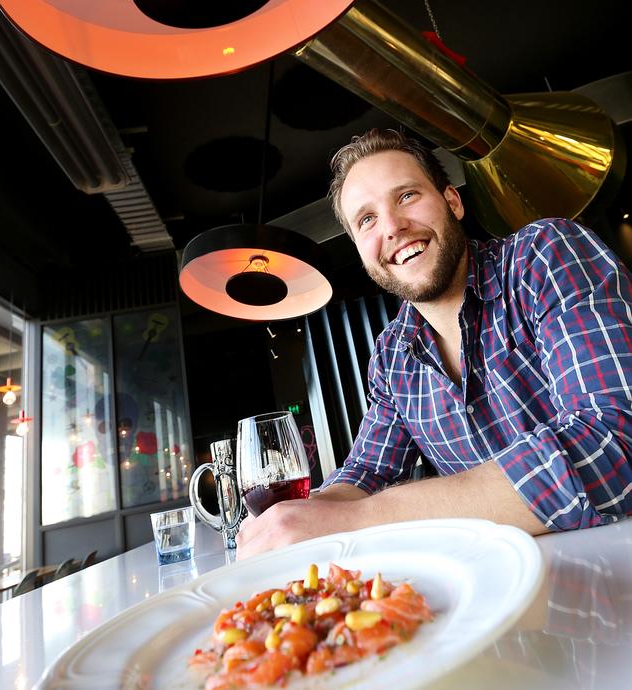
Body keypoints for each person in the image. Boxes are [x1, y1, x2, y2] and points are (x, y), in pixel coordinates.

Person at [236, 129, 632, 558]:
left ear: (453, 201)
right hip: (501, 604)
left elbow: (615, 444)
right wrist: (294, 519)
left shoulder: (544, 255)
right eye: (366, 219)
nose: (392, 227)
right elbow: (367, 473)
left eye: (406, 196)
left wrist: (353, 520)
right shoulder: (392, 357)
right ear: (360, 249)